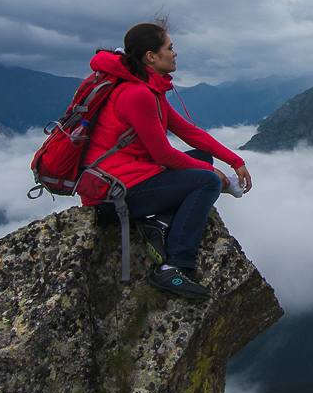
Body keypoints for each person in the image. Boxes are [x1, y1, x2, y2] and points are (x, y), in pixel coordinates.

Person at [79, 20, 252, 298]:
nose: (175, 53)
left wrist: (234, 161)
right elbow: (163, 155)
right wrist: (217, 176)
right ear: (151, 56)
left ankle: (158, 223)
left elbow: (188, 132)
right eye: (169, 48)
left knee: (202, 157)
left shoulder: (149, 91)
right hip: (112, 196)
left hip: (125, 180)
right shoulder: (137, 94)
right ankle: (173, 265)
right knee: (206, 181)